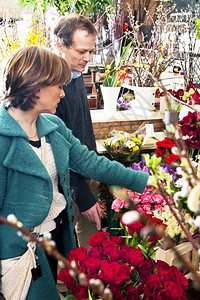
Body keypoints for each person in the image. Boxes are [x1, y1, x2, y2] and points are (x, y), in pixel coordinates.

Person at [0, 45, 152, 299]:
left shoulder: (53, 126)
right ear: (36, 87)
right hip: (20, 252)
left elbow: (91, 163)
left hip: (57, 235)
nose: (63, 93)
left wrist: (146, 182)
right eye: (59, 86)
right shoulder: (3, 138)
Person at [53, 14, 101, 249]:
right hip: (66, 183)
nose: (88, 58)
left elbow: (81, 131)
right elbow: (58, 148)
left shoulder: (76, 74)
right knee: (66, 250)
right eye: (81, 51)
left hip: (85, 174)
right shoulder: (52, 87)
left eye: (91, 51)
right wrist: (81, 193)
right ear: (59, 45)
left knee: (91, 244)